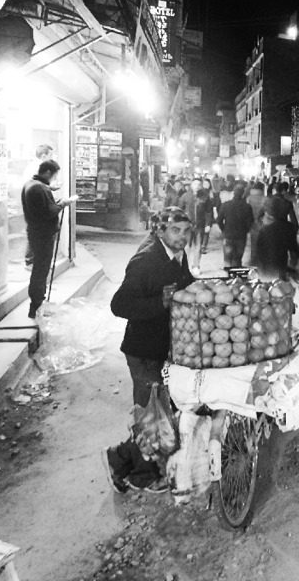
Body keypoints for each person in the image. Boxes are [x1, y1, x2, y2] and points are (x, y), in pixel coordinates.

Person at [105, 207, 195, 493]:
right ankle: (127, 468)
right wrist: (160, 303)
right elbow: (118, 305)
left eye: (185, 231)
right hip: (143, 350)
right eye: (175, 231)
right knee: (148, 417)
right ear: (160, 231)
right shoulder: (145, 262)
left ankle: (138, 464)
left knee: (160, 414)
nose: (182, 237)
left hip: (164, 348)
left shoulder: (177, 256)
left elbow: (185, 282)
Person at [21, 160, 72, 319]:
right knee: (41, 269)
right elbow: (49, 212)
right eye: (54, 175)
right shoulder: (40, 188)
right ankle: (36, 305)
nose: (53, 178)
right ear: (48, 172)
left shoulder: (31, 184)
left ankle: (37, 304)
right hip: (43, 234)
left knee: (40, 268)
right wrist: (63, 203)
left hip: (35, 231)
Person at [20, 144, 55, 269]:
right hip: (33, 204)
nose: (52, 158)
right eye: (51, 155)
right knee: (35, 232)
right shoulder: (36, 167)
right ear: (44, 155)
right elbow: (36, 186)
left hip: (33, 203)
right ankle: (31, 261)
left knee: (35, 232)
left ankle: (36, 260)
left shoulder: (34, 166)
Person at [252, 196, 299, 281]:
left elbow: (258, 252)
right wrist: (292, 268)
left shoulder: (264, 230)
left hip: (266, 266)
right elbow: (293, 251)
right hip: (281, 265)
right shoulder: (289, 228)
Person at [218, 185, 254, 268]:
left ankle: (228, 276)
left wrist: (224, 229)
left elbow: (219, 220)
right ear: (243, 194)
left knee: (227, 258)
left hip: (228, 234)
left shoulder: (225, 205)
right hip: (241, 235)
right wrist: (246, 230)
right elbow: (250, 221)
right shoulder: (247, 207)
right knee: (237, 259)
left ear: (233, 193)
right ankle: (236, 276)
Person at [246, 182, 267, 265]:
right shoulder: (265, 198)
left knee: (253, 242)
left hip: (252, 222)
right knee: (263, 243)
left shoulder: (249, 198)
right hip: (262, 223)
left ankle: (253, 260)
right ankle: (261, 260)